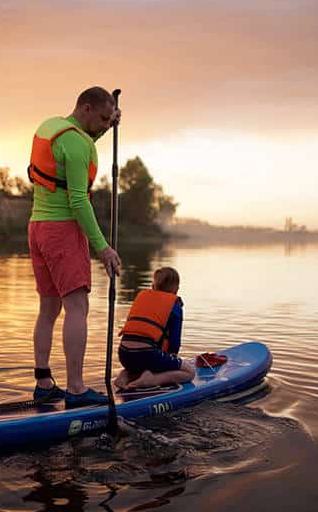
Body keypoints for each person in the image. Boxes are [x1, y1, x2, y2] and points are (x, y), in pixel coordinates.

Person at [27, 86, 122, 408]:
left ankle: (43, 383)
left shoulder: (52, 128)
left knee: (49, 309)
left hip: (37, 228)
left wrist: (104, 128)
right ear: (86, 108)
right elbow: (78, 198)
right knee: (77, 309)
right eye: (104, 119)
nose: (107, 125)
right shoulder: (78, 144)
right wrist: (103, 247)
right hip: (63, 230)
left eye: (111, 121)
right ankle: (77, 389)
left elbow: (79, 145)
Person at [114, 267, 195, 390]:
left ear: (153, 286)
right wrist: (171, 361)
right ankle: (152, 380)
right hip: (147, 355)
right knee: (189, 372)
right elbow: (174, 343)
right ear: (176, 290)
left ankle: (125, 375)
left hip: (124, 354)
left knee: (143, 359)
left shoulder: (142, 296)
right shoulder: (175, 305)